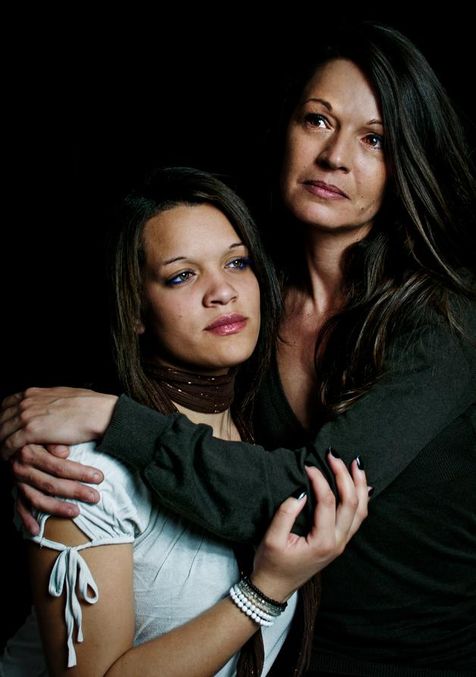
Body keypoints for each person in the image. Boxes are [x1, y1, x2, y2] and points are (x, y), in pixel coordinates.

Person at [2, 20, 476, 674]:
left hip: (419, 662)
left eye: (375, 139)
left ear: (407, 164)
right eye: (318, 120)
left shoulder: (444, 320)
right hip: (280, 654)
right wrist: (30, 435)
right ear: (286, 130)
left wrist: (111, 419)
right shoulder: (250, 293)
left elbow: (307, 495)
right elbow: (151, 358)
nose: (335, 156)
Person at [0, 167, 369, 677]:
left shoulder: (265, 439)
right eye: (181, 275)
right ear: (135, 310)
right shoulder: (83, 471)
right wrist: (265, 590)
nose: (222, 292)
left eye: (236, 263)